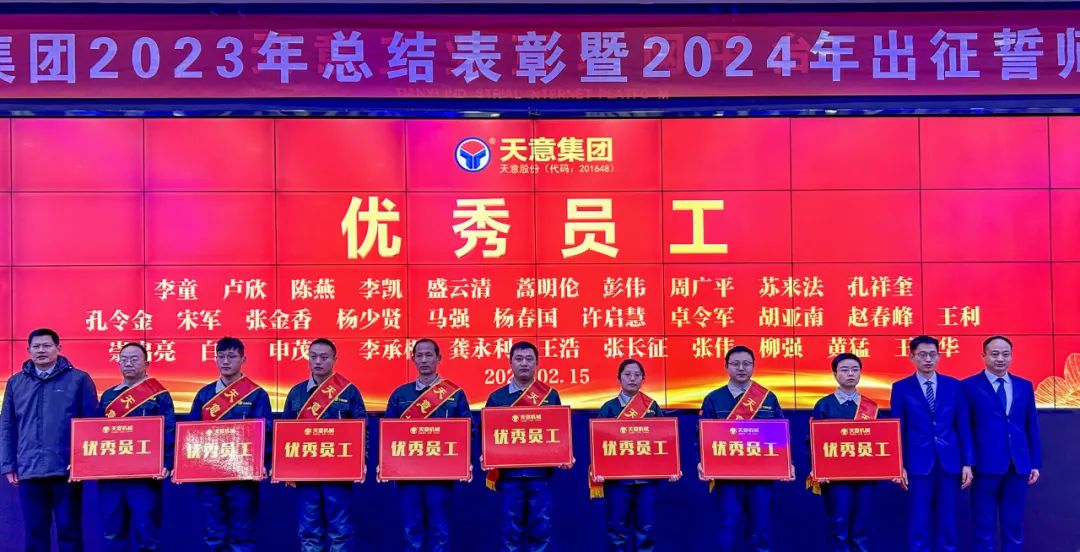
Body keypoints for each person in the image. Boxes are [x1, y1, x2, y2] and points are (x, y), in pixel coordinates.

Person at [0, 328, 98, 552]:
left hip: (67, 470)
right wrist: (8, 464)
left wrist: (83, 462)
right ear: (28, 350)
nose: (41, 350)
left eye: (46, 345)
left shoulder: (79, 380)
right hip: (29, 469)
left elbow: (90, 424)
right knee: (35, 533)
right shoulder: (16, 383)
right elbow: (7, 426)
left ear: (58, 348)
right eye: (36, 346)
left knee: (69, 531)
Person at [698, 344, 793, 552]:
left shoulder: (768, 397)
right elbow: (703, 435)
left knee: (760, 527)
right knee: (728, 525)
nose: (741, 368)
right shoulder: (714, 398)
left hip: (761, 475)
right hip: (727, 476)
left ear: (753, 366)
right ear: (726, 367)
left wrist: (787, 463)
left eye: (746, 364)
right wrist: (702, 461)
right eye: (735, 364)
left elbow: (780, 434)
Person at [385, 338, 471, 552]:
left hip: (441, 475)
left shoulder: (455, 394)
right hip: (408, 475)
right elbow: (389, 434)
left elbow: (468, 431)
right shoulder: (400, 395)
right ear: (413, 359)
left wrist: (465, 461)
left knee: (440, 529)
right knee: (412, 530)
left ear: (439, 358)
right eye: (419, 355)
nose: (424, 360)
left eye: (429, 355)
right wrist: (386, 464)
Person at [281, 338, 367, 552]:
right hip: (306, 473)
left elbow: (362, 429)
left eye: (324, 357)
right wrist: (285, 467)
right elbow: (285, 432)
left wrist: (361, 461)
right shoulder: (296, 392)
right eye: (313, 357)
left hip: (338, 473)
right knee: (309, 530)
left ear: (334, 359)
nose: (318, 361)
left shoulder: (348, 391)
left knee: (341, 530)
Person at [484, 341, 571, 552]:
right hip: (509, 476)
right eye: (519, 359)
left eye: (529, 359)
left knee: (541, 529)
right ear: (510, 363)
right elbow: (488, 434)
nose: (524, 363)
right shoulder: (497, 397)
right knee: (510, 531)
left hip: (540, 475)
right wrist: (485, 455)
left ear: (537, 364)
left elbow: (559, 431)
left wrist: (565, 453)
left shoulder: (550, 395)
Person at [188, 337, 273, 552]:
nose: (226, 361)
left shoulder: (257, 394)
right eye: (221, 356)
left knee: (242, 533)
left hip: (242, 476)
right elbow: (191, 433)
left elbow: (266, 432)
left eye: (232, 356)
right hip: (210, 475)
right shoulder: (204, 395)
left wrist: (263, 462)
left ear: (243, 359)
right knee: (213, 533)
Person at [889, 335, 973, 552]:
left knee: (948, 522)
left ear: (939, 356)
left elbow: (963, 425)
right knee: (918, 522)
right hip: (917, 464)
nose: (928, 359)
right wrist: (898, 466)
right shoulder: (901, 388)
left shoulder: (954, 386)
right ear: (912, 357)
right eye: (922, 355)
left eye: (932, 354)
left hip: (949, 463)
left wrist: (968, 463)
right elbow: (897, 428)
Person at [963, 335, 1041, 552]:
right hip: (984, 467)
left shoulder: (1024, 386)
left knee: (1013, 527)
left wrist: (1034, 463)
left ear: (1011, 356)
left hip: (1017, 466)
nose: (1000, 359)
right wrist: (968, 462)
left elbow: (1031, 426)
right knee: (983, 527)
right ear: (983, 356)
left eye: (1005, 354)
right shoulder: (968, 386)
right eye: (994, 354)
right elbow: (965, 428)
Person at [97, 342, 176, 552]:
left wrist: (167, 462)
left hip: (145, 477)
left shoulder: (159, 395)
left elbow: (168, 430)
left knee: (146, 532)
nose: (128, 363)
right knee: (113, 533)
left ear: (146, 363)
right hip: (112, 477)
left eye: (134, 359)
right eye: (124, 359)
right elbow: (96, 433)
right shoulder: (108, 396)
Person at [592, 358, 674, 552]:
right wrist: (598, 469)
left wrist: (670, 466)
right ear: (619, 378)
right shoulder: (608, 408)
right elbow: (598, 443)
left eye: (637, 375)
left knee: (646, 529)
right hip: (617, 481)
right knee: (616, 529)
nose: (632, 378)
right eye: (627, 374)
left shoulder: (652, 407)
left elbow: (664, 440)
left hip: (646, 480)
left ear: (643, 379)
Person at [810, 353, 878, 552]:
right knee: (839, 524)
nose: (850, 374)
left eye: (855, 370)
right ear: (834, 374)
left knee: (862, 526)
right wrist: (818, 469)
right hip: (836, 478)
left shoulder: (871, 407)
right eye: (845, 370)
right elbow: (813, 441)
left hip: (866, 476)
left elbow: (881, 441)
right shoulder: (824, 405)